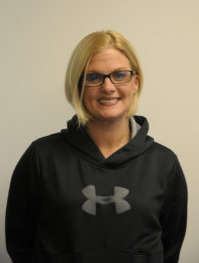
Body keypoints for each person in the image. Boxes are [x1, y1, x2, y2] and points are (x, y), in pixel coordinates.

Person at [6, 30, 187, 263]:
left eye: (120, 75)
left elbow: (170, 247)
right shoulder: (41, 157)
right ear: (78, 85)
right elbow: (20, 243)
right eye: (93, 77)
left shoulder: (165, 164)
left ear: (135, 82)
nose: (108, 87)